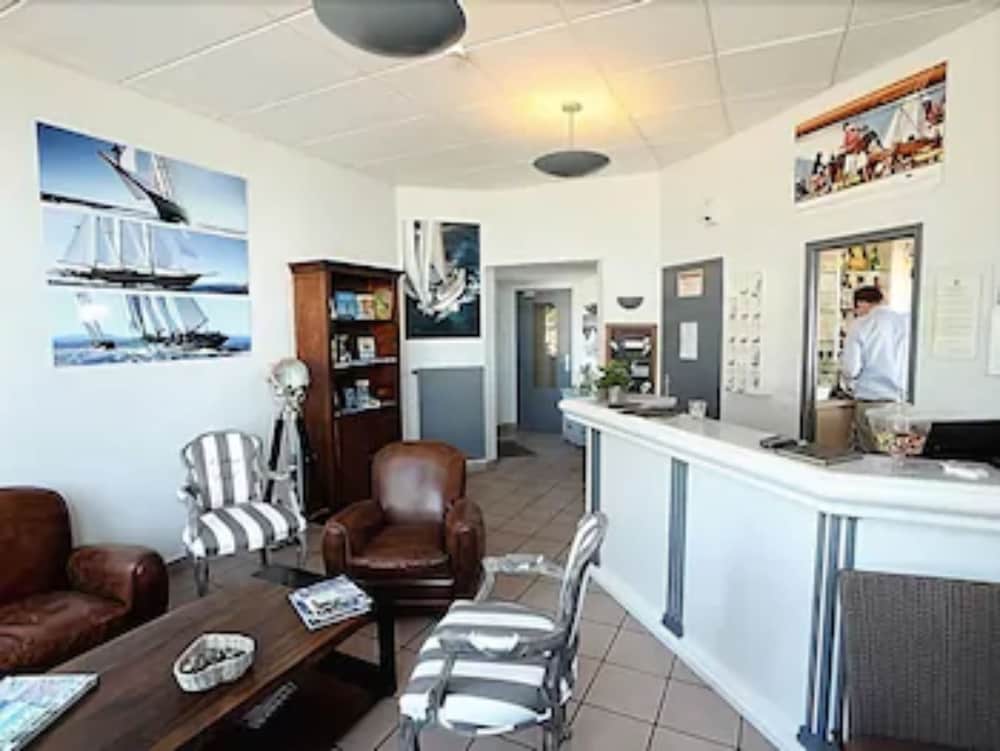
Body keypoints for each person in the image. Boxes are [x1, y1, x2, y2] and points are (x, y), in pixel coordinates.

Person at [840, 286, 910, 452]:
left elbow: (851, 369)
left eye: (856, 310)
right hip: (901, 403)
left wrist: (848, 382)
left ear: (861, 304)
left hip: (871, 402)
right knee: (895, 453)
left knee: (871, 455)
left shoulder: (860, 325)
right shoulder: (905, 321)